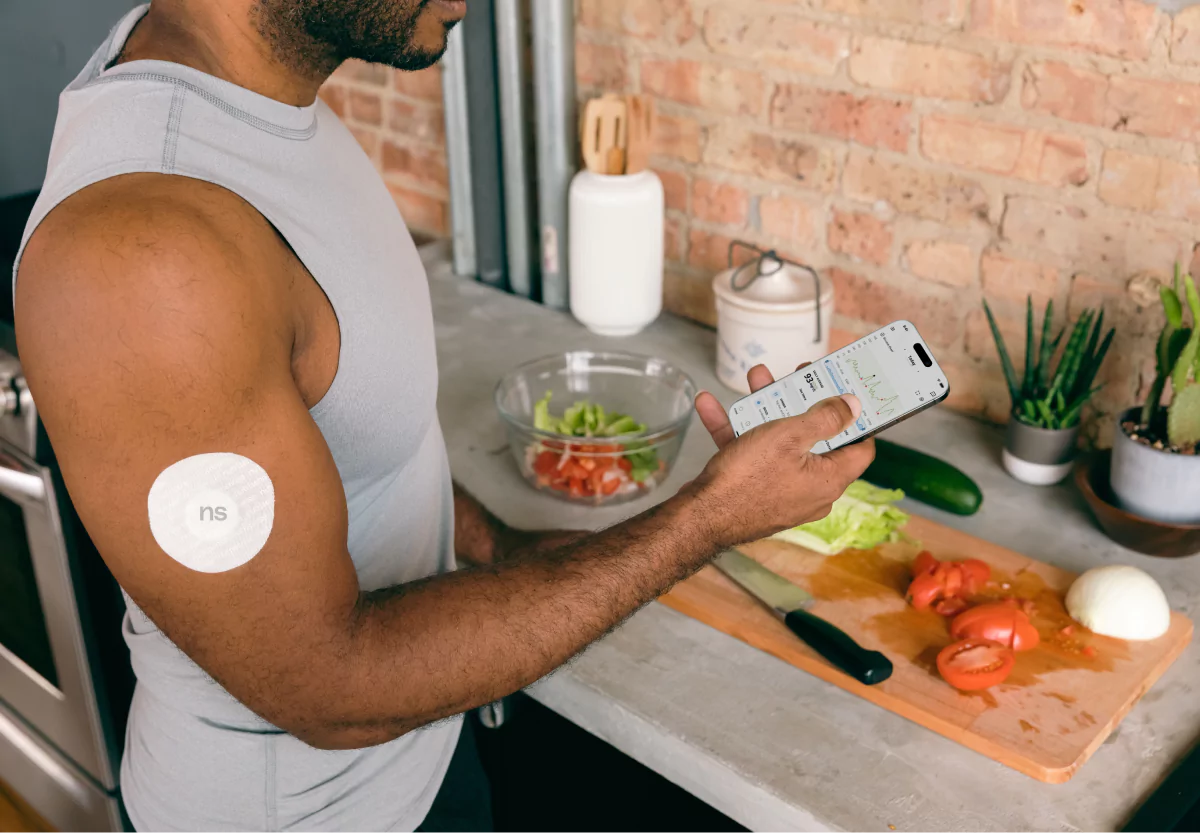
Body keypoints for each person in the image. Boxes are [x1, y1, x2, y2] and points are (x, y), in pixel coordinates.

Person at [11, 1, 875, 831]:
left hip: (414, 760)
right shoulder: (147, 261)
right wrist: (708, 517)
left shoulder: (262, 106)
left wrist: (497, 547)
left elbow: (358, 433)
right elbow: (332, 690)